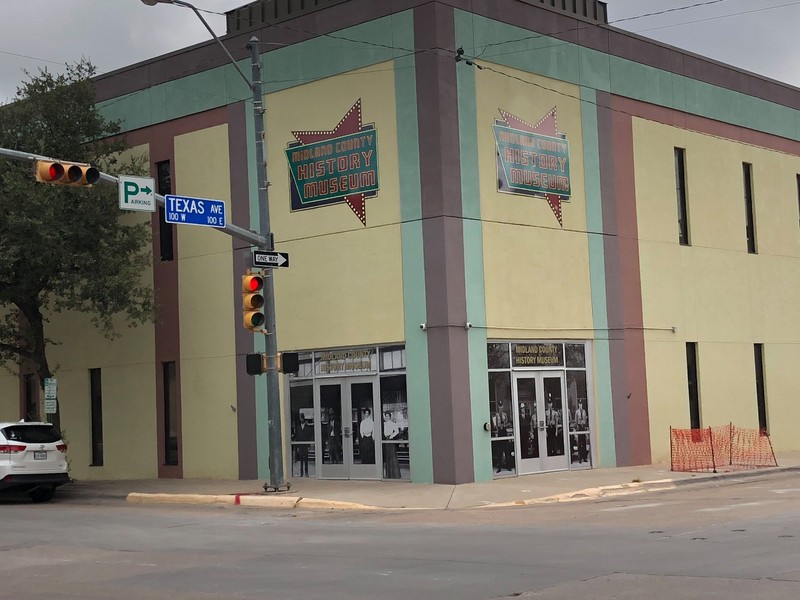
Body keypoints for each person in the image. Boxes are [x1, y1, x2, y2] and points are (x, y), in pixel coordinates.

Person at [383, 411, 401, 478]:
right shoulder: (384, 424)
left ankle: (395, 474)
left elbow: (397, 431)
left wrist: (391, 436)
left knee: (392, 456)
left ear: (390, 417)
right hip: (385, 440)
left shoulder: (393, 424)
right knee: (387, 457)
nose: (386, 417)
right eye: (385, 416)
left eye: (387, 416)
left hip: (390, 440)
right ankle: (389, 474)